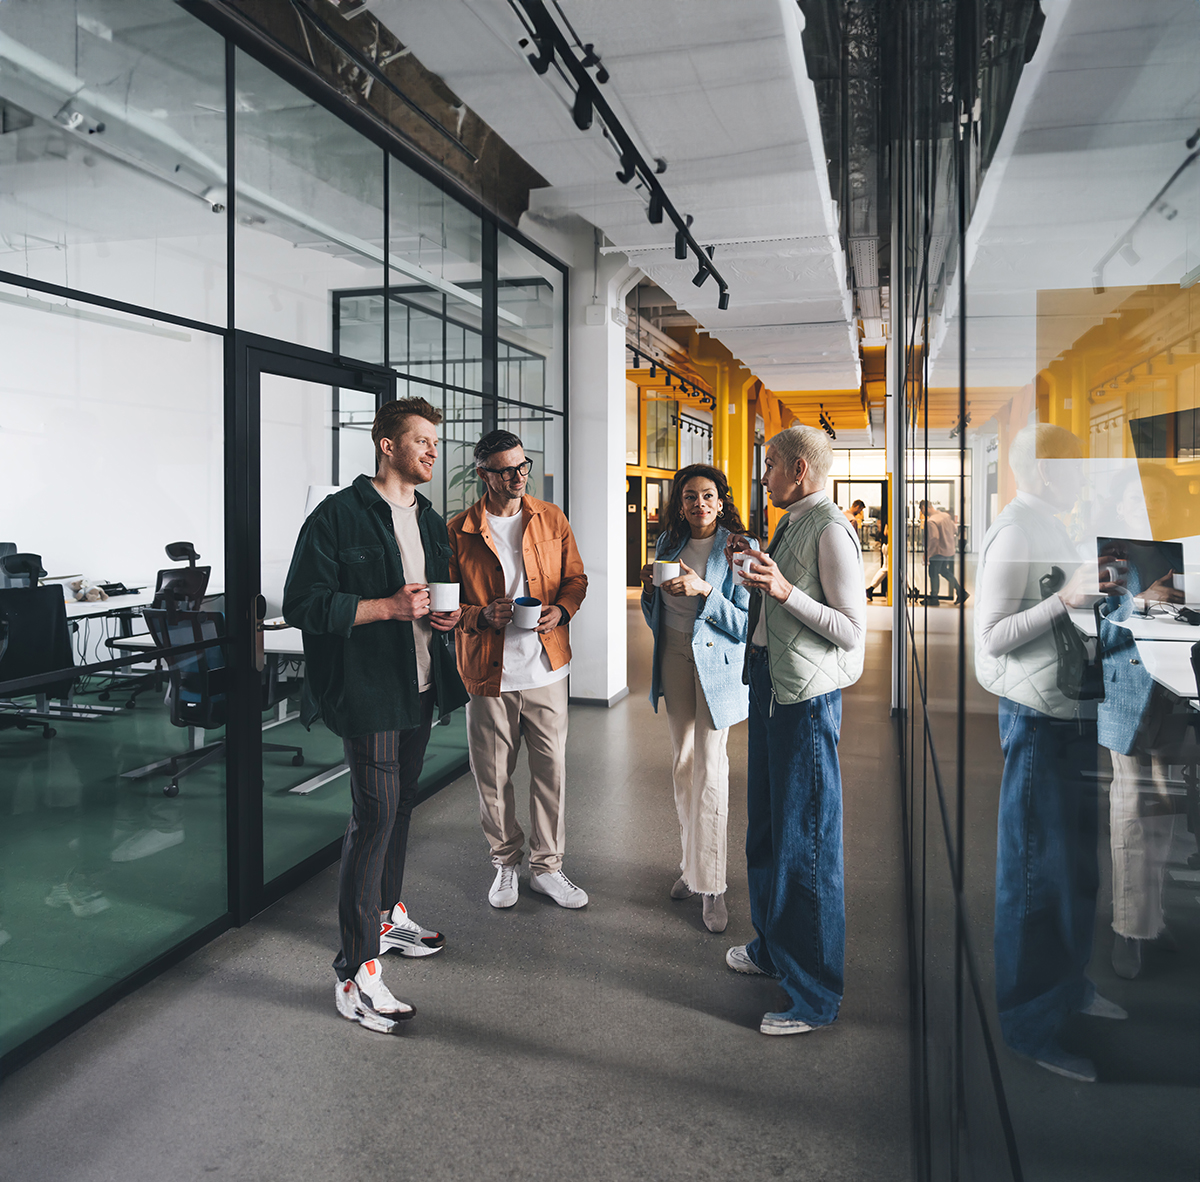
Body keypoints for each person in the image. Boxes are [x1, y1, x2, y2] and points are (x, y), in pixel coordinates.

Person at [283, 396, 468, 1035]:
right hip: (367, 691)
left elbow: (439, 601)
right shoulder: (336, 517)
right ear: (386, 444)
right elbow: (303, 605)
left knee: (399, 808)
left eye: (435, 442)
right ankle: (355, 972)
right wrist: (386, 608)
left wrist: (448, 617)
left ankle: (385, 917)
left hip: (419, 685)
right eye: (421, 440)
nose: (432, 451)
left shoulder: (433, 521)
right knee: (373, 819)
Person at [974, 423, 1124, 1083]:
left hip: (1068, 713)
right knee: (1038, 879)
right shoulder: (1016, 530)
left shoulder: (1051, 524)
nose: (1080, 476)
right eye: (1071, 465)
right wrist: (1066, 601)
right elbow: (994, 636)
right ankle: (1031, 1026)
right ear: (1039, 470)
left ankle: (1067, 986)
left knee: (1075, 873)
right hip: (1038, 719)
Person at [725, 425, 866, 1035]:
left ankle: (814, 994)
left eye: (771, 466)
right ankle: (772, 946)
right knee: (769, 826)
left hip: (806, 701)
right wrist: (756, 570)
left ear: (799, 469)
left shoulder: (832, 529)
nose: (764, 476)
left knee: (804, 842)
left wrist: (780, 588)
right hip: (771, 686)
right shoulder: (791, 521)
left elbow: (851, 629)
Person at [448, 430, 589, 910]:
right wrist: (481, 615)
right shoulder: (458, 531)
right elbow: (445, 606)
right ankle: (505, 862)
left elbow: (576, 578)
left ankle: (548, 867)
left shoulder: (550, 517)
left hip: (547, 670)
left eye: (522, 465)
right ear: (483, 474)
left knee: (551, 773)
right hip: (489, 676)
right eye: (506, 469)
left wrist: (562, 611)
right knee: (492, 776)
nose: (518, 476)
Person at [639, 464, 750, 934]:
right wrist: (649, 588)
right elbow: (657, 615)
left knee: (710, 766)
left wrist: (705, 590)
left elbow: (748, 623)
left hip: (718, 666)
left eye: (708, 496)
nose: (699, 504)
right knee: (683, 762)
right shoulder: (668, 544)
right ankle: (692, 866)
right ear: (679, 503)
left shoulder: (740, 549)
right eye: (689, 497)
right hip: (674, 656)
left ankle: (713, 885)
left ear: (721, 501)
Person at [920, 500, 966, 604]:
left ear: (924, 507)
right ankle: (961, 592)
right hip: (948, 550)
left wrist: (927, 554)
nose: (922, 513)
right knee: (944, 571)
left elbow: (934, 538)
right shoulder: (945, 516)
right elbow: (954, 530)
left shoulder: (931, 521)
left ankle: (934, 598)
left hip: (938, 551)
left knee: (933, 573)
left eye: (922, 511)